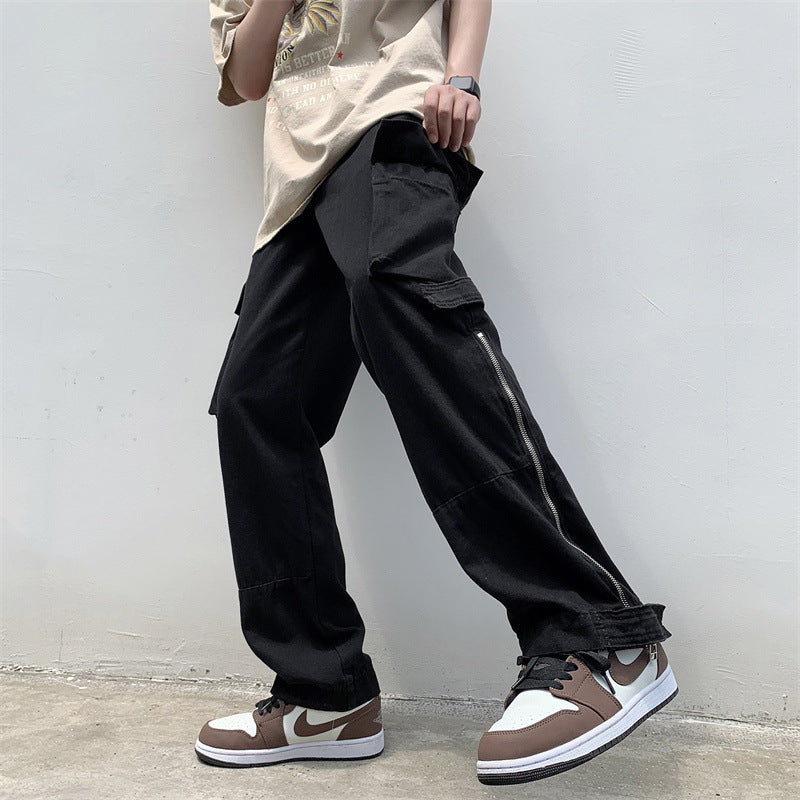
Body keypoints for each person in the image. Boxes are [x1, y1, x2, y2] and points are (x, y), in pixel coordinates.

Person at [195, 0, 677, 785]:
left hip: (393, 121)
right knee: (257, 401)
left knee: (398, 291)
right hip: (295, 187)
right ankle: (325, 691)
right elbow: (249, 78)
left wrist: (464, 76)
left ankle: (599, 634)